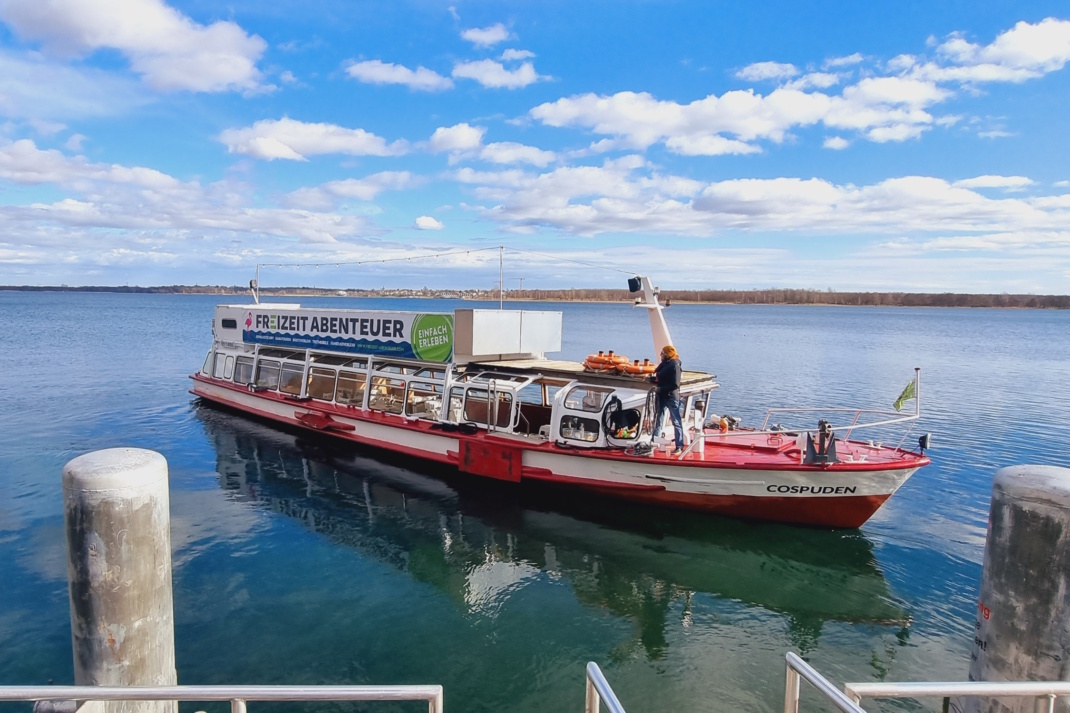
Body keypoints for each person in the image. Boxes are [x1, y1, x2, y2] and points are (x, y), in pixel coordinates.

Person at [648, 344, 684, 455]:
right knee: (658, 419)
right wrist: (652, 379)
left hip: (671, 397)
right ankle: (654, 442)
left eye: (662, 353)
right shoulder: (665, 364)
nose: (660, 355)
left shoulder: (675, 365)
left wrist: (659, 389)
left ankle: (679, 446)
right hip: (662, 396)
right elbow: (661, 377)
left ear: (667, 354)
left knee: (676, 421)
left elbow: (675, 384)